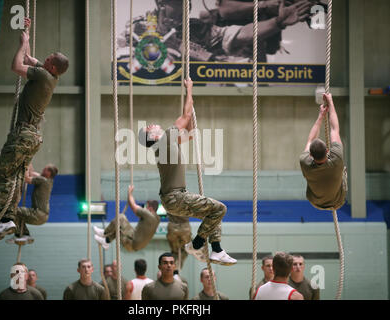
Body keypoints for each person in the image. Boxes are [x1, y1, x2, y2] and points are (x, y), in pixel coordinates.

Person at [0, 17, 69, 240]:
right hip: (32, 136)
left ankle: (3, 219)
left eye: (47, 59)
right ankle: (6, 219)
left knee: (5, 174)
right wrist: (26, 37)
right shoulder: (51, 77)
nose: (42, 59)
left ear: (52, 66)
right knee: (15, 177)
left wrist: (20, 45)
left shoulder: (43, 75)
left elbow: (16, 65)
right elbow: (29, 59)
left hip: (23, 134)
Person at [138, 78, 235, 266]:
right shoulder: (165, 139)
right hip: (176, 197)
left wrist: (191, 112)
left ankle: (216, 249)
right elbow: (185, 115)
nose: (153, 124)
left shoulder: (167, 143)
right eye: (149, 127)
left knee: (213, 214)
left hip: (173, 198)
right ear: (153, 136)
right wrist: (189, 89)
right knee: (220, 208)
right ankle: (197, 245)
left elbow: (190, 132)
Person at [118, 0, 311, 64]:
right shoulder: (136, 28)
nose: (181, 10)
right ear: (160, 4)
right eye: (175, 4)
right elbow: (121, 61)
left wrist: (278, 22)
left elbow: (240, 33)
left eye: (186, 4)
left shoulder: (197, 28)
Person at [300, 93, 347, 210]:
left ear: (310, 155)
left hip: (316, 202)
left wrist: (321, 116)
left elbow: (310, 140)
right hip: (337, 202)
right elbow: (334, 129)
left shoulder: (305, 161)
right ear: (327, 150)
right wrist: (331, 102)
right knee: (342, 170)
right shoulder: (336, 159)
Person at [93, 185, 160, 252]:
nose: (145, 208)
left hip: (131, 242)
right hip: (134, 245)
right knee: (119, 227)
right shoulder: (157, 219)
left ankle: (104, 232)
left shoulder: (149, 215)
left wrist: (129, 193)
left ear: (150, 209)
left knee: (121, 218)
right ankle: (106, 241)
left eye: (146, 207)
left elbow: (133, 205)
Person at [6, 163, 58, 243]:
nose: (43, 169)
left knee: (13, 211)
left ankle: (23, 234)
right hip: (42, 216)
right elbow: (31, 174)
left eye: (45, 169)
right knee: (19, 214)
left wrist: (26, 168)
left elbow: (26, 179)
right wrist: (28, 162)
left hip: (38, 214)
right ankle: (22, 235)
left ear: (49, 173)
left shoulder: (42, 180)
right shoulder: (48, 181)